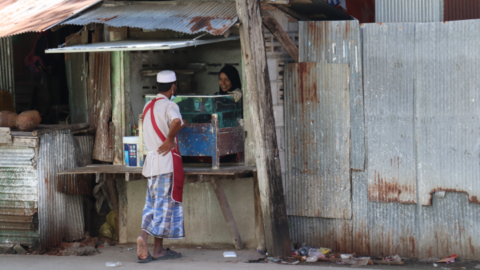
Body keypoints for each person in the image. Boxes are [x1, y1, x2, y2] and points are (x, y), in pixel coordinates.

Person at [137, 70, 187, 263]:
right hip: (166, 164)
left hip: (151, 165)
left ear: (157, 87)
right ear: (173, 87)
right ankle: (153, 246)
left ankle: (150, 241)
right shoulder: (170, 105)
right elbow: (175, 120)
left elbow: (173, 123)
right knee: (164, 207)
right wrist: (170, 138)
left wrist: (174, 129)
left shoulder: (148, 106)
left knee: (152, 205)